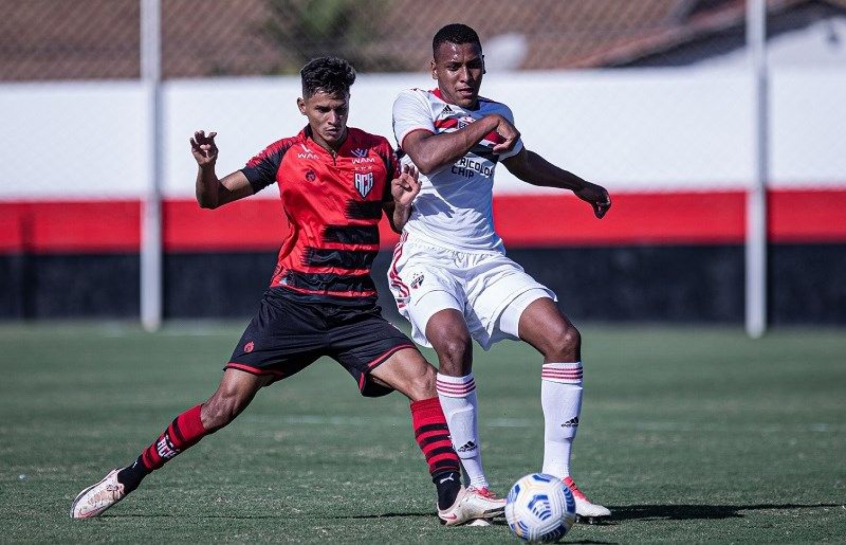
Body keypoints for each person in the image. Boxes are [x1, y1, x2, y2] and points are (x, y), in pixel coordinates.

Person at [70, 56, 504, 527]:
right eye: (322, 110)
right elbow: (212, 198)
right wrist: (207, 169)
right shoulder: (284, 156)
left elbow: (396, 225)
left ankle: (450, 497)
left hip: (355, 312)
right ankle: (128, 476)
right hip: (292, 307)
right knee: (221, 408)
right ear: (303, 107)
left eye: (340, 108)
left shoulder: (378, 152)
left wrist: (401, 204)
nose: (333, 119)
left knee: (424, 381)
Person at [387, 24, 613, 522]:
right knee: (452, 345)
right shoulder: (414, 103)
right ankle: (474, 489)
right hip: (428, 257)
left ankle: (560, 480)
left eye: (473, 65)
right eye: (454, 67)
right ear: (435, 70)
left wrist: (577, 185)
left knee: (563, 338)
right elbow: (425, 155)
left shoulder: (497, 113)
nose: (465, 75)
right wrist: (484, 127)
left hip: (487, 261)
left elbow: (522, 162)